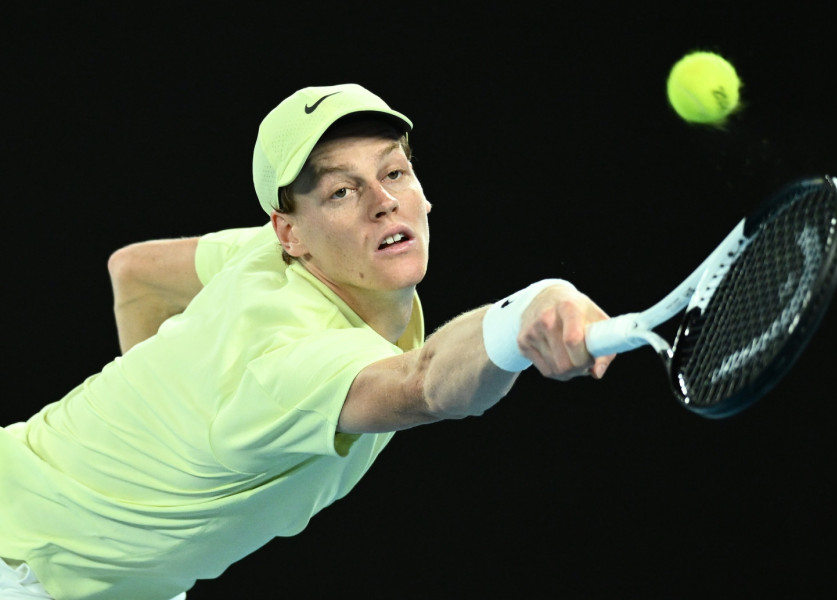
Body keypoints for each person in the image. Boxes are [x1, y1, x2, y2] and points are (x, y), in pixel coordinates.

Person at [0, 83, 615, 599]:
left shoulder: (263, 253)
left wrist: (161, 427)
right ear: (290, 233)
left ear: (423, 194)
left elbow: (134, 270)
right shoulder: (287, 366)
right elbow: (426, 385)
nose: (383, 203)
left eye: (394, 172)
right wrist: (525, 312)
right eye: (342, 191)